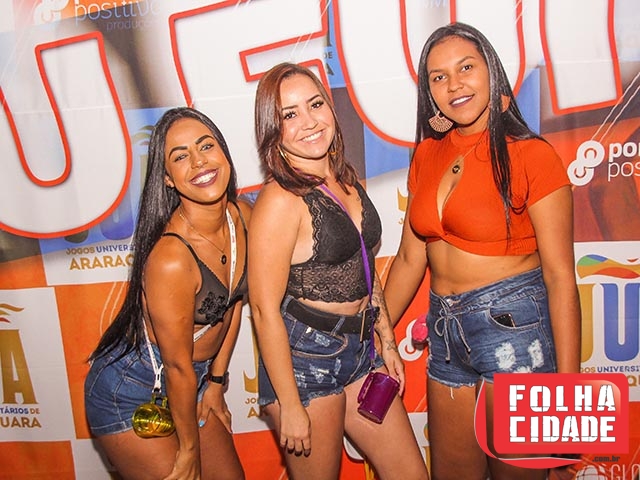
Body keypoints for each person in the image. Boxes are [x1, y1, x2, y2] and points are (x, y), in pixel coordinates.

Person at [384, 22, 581, 480]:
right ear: (429, 90)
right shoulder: (425, 154)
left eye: (466, 68)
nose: (454, 84)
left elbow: (560, 279)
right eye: (438, 76)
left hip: (516, 328)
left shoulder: (532, 155)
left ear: (492, 70)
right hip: (445, 330)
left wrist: (566, 406)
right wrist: (378, 331)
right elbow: (411, 258)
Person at [248, 62, 429, 480]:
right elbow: (262, 309)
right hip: (306, 365)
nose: (309, 122)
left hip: (361, 352)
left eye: (315, 105)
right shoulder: (280, 200)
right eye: (289, 114)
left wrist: (386, 340)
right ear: (272, 129)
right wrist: (291, 404)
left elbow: (363, 266)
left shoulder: (344, 179)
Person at [84, 107, 249, 480]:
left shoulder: (242, 217)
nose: (199, 161)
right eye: (180, 156)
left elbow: (234, 301)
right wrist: (189, 451)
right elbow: (177, 366)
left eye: (206, 146)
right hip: (135, 389)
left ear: (224, 153)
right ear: (168, 179)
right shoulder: (171, 259)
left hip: (193, 380)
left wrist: (216, 382)